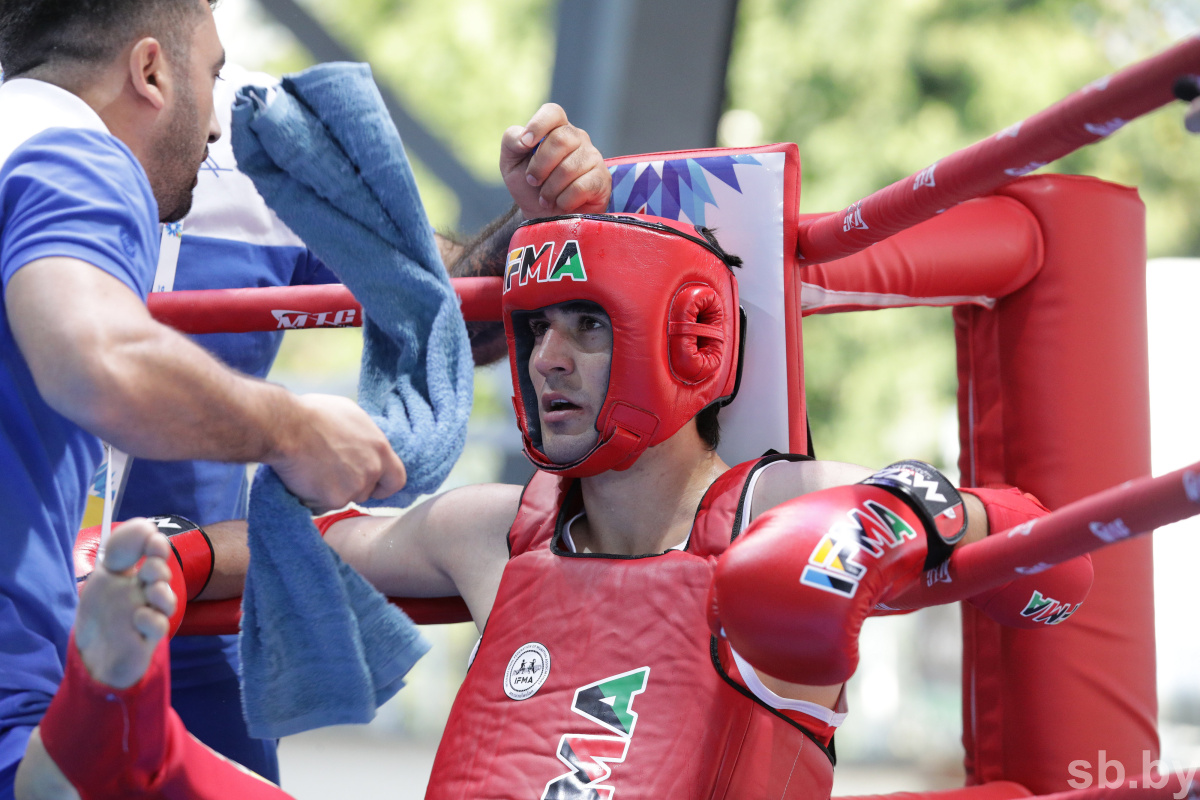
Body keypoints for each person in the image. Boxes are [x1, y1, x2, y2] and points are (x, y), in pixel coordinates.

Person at [40, 213, 1095, 799]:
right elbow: (306, 549)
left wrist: (900, 517)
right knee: (147, 773)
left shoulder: (776, 506)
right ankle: (110, 728)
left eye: (586, 325)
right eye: (537, 325)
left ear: (688, 340)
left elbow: (1058, 567)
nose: (545, 358)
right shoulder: (499, 527)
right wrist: (169, 562)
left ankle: (107, 743)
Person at [100, 57, 609, 782]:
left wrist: (538, 218)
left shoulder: (256, 127)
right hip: (28, 624)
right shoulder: (35, 133)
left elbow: (440, 316)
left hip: (193, 639)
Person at [0, 0, 409, 793]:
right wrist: (295, 429)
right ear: (150, 71)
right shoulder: (76, 153)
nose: (218, 126)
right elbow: (95, 357)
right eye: (212, 74)